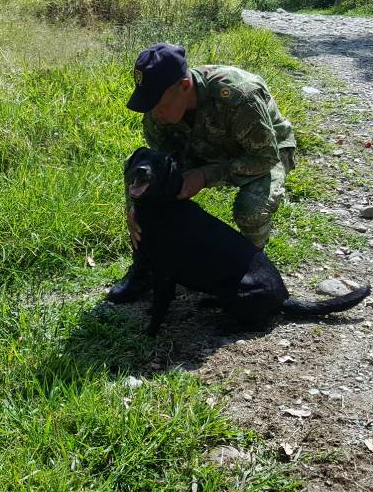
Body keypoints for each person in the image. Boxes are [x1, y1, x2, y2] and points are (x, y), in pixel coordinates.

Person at [107, 42, 296, 303]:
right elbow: (160, 168)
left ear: (185, 87)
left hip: (261, 152)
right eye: (149, 104)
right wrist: (136, 209)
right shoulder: (158, 110)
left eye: (159, 105)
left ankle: (245, 272)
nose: (154, 114)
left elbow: (264, 156)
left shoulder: (239, 95)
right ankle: (145, 270)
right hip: (202, 150)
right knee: (140, 169)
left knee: (250, 209)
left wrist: (205, 175)